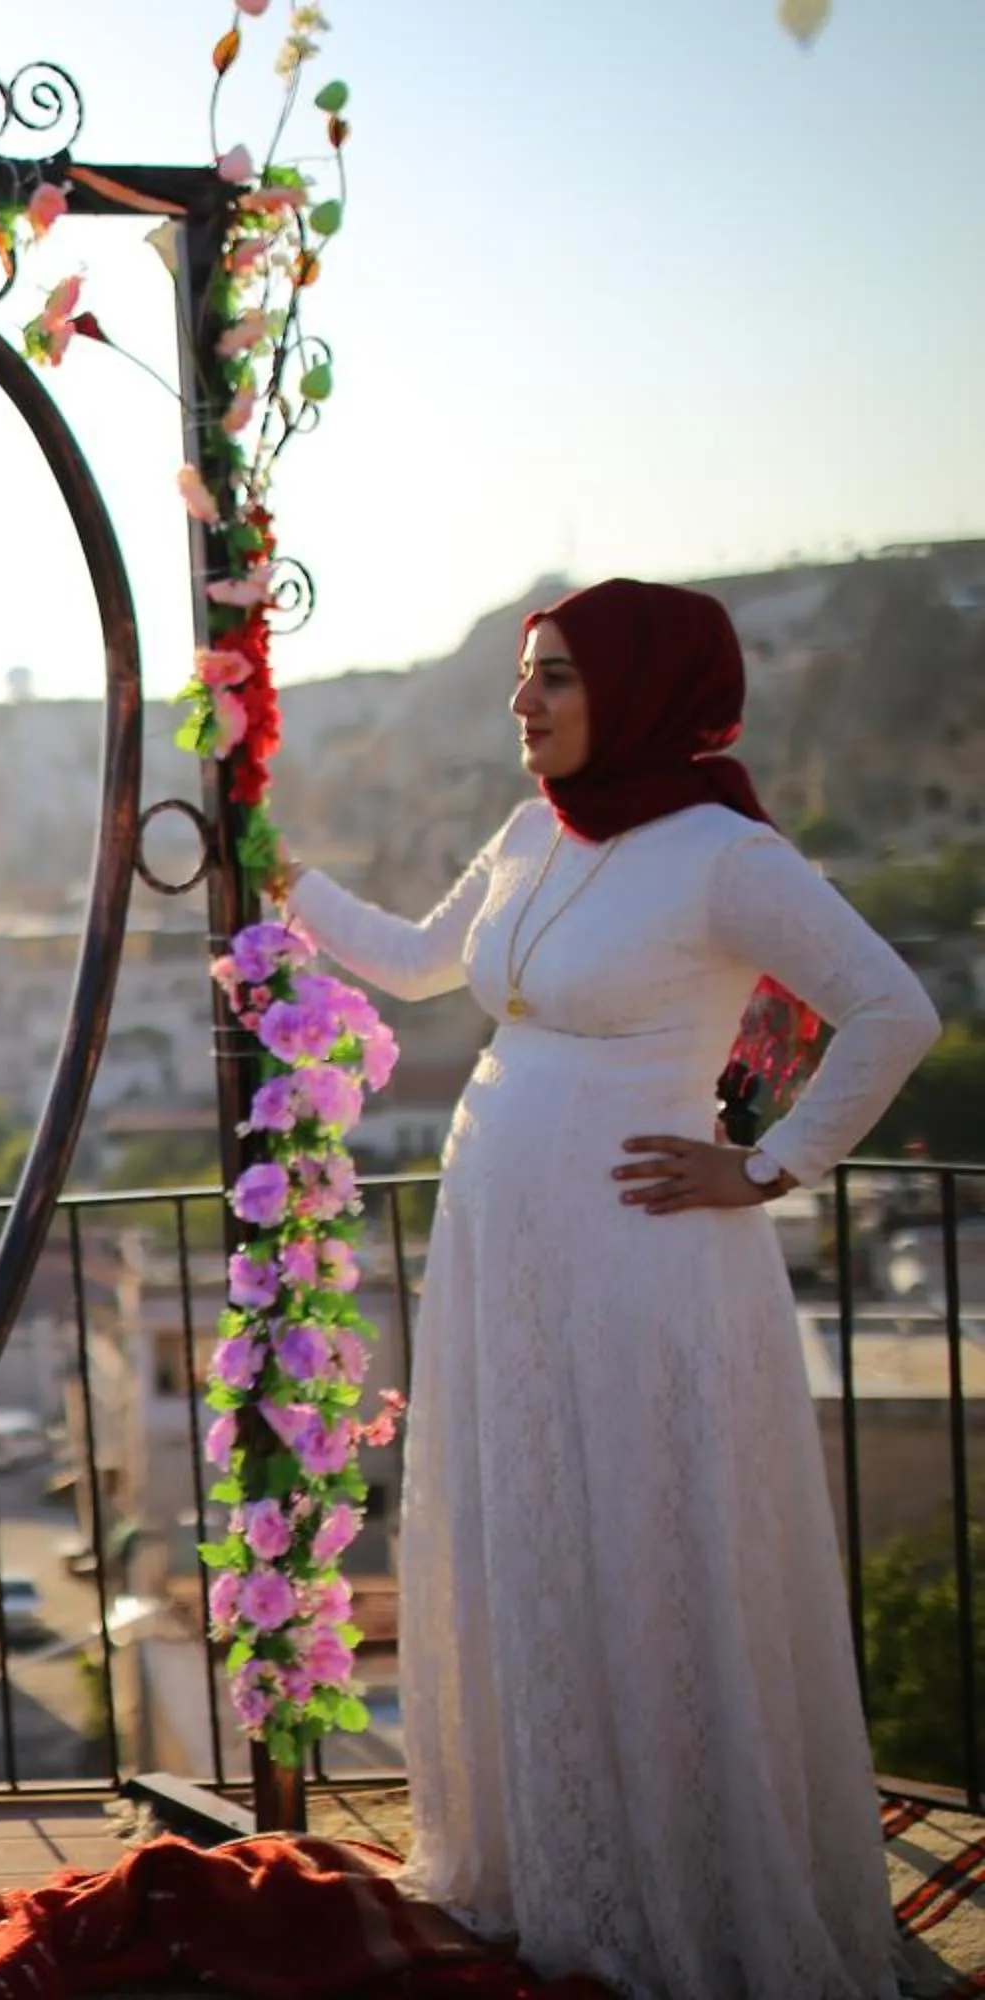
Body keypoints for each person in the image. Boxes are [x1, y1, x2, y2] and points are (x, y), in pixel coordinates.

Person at [275, 578, 933, 1998]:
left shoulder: (718, 854)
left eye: (557, 677)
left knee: (638, 1534)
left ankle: (677, 1873)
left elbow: (891, 1007)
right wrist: (287, 885)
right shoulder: (531, 835)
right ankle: (550, 1853)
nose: (525, 704)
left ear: (637, 688)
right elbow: (415, 963)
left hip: (643, 1263)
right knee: (537, 1522)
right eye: (524, 675)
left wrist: (765, 1166)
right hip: (505, 1251)